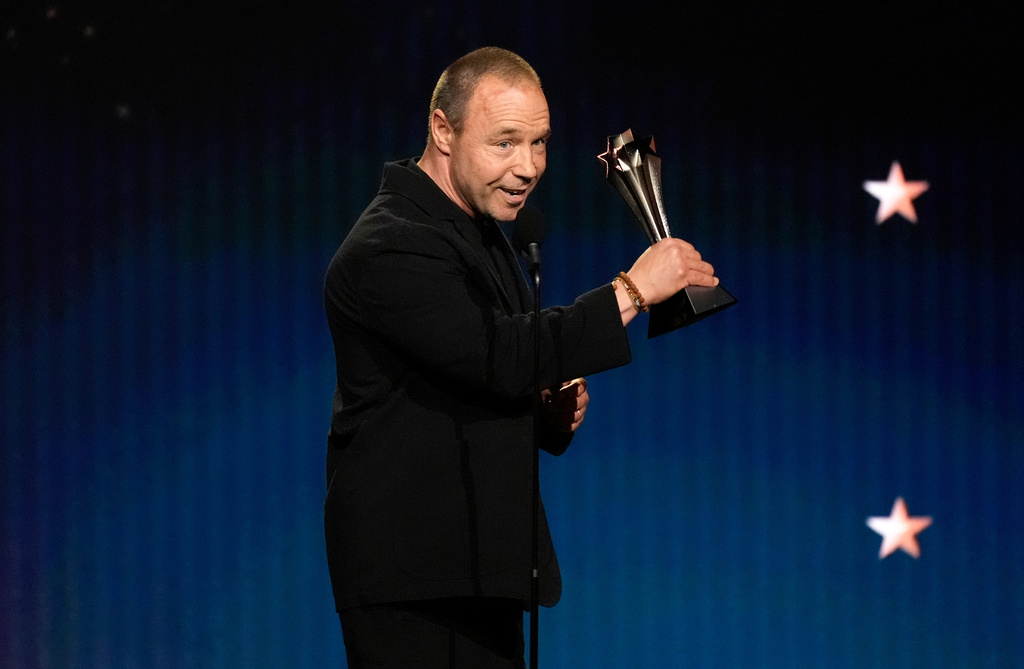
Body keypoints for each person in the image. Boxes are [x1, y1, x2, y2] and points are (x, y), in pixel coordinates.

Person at [323, 46, 719, 668]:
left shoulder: (481, 240)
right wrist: (632, 291)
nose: (529, 166)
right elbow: (493, 354)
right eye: (505, 142)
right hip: (418, 580)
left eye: (539, 144)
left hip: (480, 569)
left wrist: (545, 413)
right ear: (443, 131)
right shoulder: (391, 244)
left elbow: (472, 383)